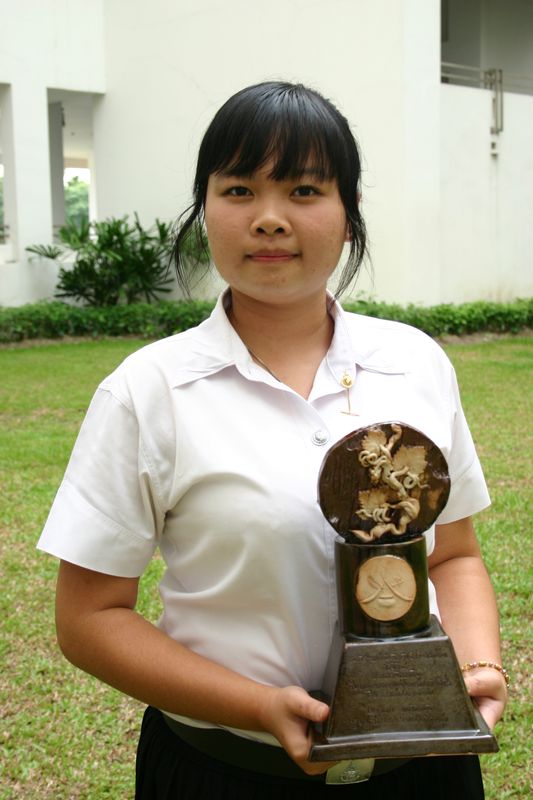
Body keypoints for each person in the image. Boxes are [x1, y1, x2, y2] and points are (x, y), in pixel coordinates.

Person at [38, 81, 508, 799]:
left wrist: (478, 668)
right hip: (223, 772)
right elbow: (89, 619)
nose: (268, 219)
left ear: (348, 215)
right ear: (205, 211)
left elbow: (454, 555)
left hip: (424, 768)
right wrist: (257, 706)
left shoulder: (415, 362)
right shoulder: (148, 390)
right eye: (238, 191)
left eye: (304, 191)